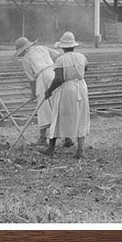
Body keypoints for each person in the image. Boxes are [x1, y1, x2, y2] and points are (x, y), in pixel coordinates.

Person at [41, 31, 90, 159]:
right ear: (74, 45)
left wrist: (49, 91)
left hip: (67, 89)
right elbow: (86, 69)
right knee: (80, 116)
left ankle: (51, 148)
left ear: (63, 46)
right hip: (81, 87)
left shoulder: (60, 59)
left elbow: (58, 78)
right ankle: (80, 150)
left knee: (57, 115)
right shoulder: (82, 57)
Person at [14, 36, 60, 145]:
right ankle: (67, 138)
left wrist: (33, 93)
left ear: (23, 50)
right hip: (54, 73)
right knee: (57, 103)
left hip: (42, 77)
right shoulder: (42, 48)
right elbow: (58, 55)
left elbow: (32, 79)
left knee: (42, 107)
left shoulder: (26, 59)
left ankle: (43, 138)